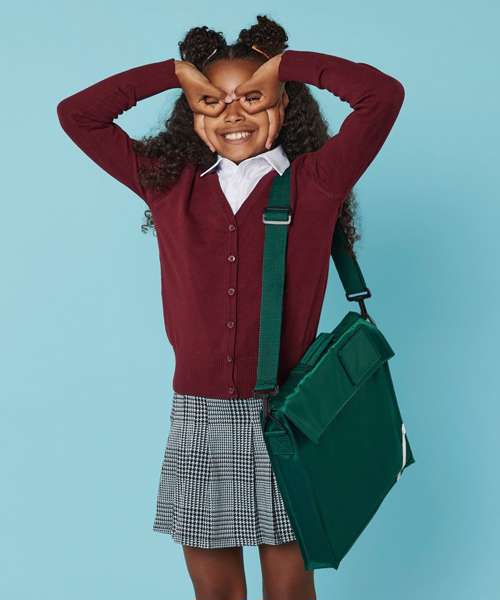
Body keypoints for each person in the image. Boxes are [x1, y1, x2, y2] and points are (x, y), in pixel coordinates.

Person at [56, 13, 405, 600]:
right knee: (215, 594)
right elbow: (78, 114)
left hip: (287, 416)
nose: (233, 113)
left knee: (289, 592)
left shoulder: (317, 181)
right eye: (213, 100)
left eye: (252, 97)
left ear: (283, 102)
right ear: (193, 111)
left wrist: (287, 65)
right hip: (198, 419)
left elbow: (382, 96)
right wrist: (175, 72)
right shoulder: (169, 184)